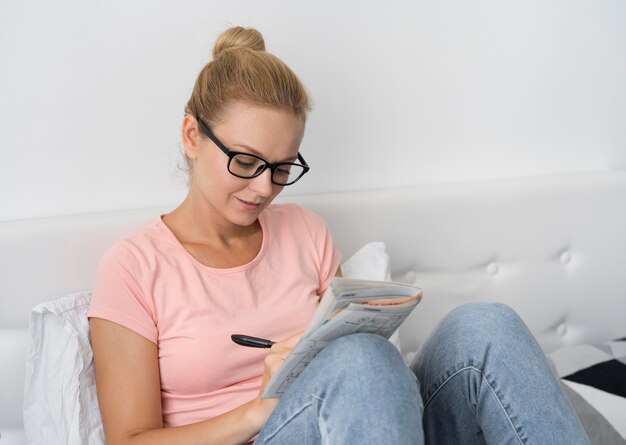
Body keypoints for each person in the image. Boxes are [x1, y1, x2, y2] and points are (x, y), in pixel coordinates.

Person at [88, 26, 590, 445]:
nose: (264, 188)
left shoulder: (306, 231)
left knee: (486, 326)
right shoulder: (133, 266)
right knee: (360, 358)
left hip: (365, 424)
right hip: (256, 433)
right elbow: (129, 440)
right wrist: (255, 413)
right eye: (245, 161)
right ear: (192, 136)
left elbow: (359, 368)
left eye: (282, 168)